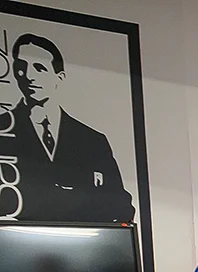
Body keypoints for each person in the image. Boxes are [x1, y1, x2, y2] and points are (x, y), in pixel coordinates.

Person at [2, 33, 134, 222]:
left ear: (59, 77)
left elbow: (122, 207)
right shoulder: (4, 128)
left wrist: (40, 199)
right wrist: (81, 198)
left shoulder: (93, 140)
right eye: (22, 67)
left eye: (39, 68)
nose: (29, 76)